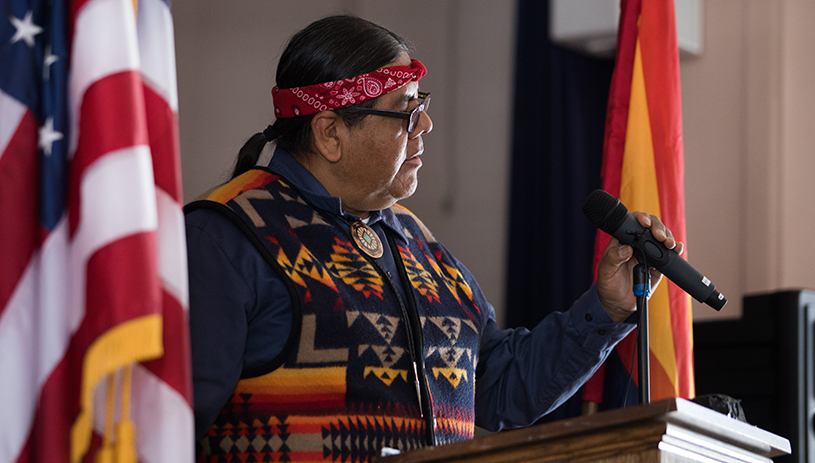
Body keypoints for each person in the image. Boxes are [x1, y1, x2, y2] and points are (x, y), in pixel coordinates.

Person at [185, 14, 681, 462]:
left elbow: (497, 388)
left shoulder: (418, 242)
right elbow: (169, 428)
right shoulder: (226, 236)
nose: (425, 123)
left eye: (421, 104)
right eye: (404, 111)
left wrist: (610, 307)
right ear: (330, 133)